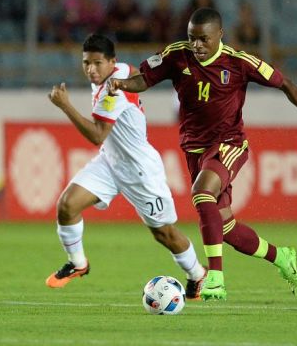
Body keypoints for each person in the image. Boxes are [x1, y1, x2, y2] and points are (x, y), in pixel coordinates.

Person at [107, 7, 297, 301]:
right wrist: (121, 84)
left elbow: (285, 83)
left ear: (219, 35)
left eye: (204, 39)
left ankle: (216, 279)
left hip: (228, 144)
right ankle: (282, 257)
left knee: (202, 194)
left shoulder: (239, 62)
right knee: (226, 227)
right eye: (192, 38)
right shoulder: (176, 55)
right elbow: (144, 79)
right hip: (194, 150)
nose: (197, 45)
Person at [46, 34, 207, 299]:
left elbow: (98, 135)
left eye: (98, 63)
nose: (91, 69)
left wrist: (66, 106)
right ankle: (78, 264)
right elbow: (132, 70)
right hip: (110, 162)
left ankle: (198, 274)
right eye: (87, 63)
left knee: (164, 233)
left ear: (112, 62)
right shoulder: (119, 72)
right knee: (67, 206)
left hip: (140, 170)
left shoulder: (114, 90)